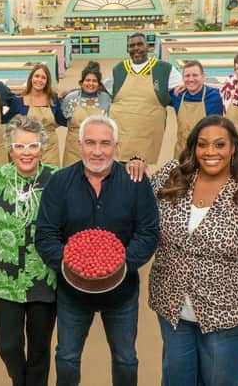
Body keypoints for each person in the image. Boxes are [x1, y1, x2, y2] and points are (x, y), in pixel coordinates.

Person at [149, 115, 238, 386]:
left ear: (233, 148)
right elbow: (138, 209)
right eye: (203, 144)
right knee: (176, 379)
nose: (210, 152)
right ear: (193, 148)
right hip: (173, 307)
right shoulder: (172, 177)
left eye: (220, 144)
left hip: (228, 316)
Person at [36, 115, 159, 386]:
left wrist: (119, 265)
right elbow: (45, 235)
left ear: (116, 145)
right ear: (79, 145)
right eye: (90, 142)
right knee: (67, 358)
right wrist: (73, 266)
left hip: (122, 292)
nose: (97, 150)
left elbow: (148, 232)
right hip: (72, 292)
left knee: (126, 359)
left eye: (105, 143)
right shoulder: (59, 183)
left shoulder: (136, 181)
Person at [0, 115, 58, 386]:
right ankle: (21, 381)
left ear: (42, 147)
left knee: (39, 347)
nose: (26, 153)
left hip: (44, 276)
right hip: (6, 277)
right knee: (6, 343)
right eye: (19, 146)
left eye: (32, 146)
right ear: (10, 148)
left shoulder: (57, 178)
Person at [105, 32, 182, 165]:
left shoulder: (164, 69)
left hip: (148, 133)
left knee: (142, 170)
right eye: (132, 45)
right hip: (123, 130)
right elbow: (103, 90)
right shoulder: (119, 69)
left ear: (148, 47)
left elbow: (182, 90)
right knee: (120, 167)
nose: (136, 48)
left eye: (140, 44)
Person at [9, 63, 67, 167]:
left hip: (50, 148)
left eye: (43, 78)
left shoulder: (53, 99)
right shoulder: (19, 101)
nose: (39, 80)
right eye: (37, 76)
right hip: (28, 149)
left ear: (47, 81)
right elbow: (7, 121)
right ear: (31, 78)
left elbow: (62, 120)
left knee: (51, 177)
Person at [61, 61, 112, 167]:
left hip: (97, 150)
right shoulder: (71, 98)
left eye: (94, 81)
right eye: (87, 80)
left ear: (99, 84)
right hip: (73, 150)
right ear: (81, 82)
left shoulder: (105, 98)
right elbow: (60, 119)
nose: (91, 83)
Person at [169, 60, 223, 159]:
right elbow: (157, 93)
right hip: (182, 153)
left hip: (206, 155)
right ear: (183, 78)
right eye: (187, 76)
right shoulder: (177, 95)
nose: (191, 79)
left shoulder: (216, 95)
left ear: (203, 77)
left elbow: (232, 88)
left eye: (195, 75)